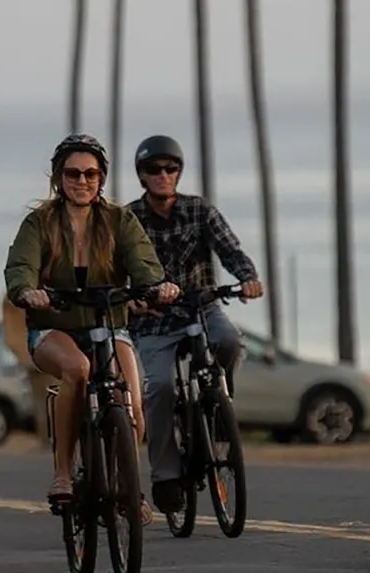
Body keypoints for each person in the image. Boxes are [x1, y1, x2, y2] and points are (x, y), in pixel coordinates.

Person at [3, 133, 181, 525]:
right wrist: (28, 292)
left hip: (109, 324)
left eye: (90, 174)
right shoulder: (39, 222)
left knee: (133, 404)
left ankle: (127, 486)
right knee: (78, 369)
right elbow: (20, 266)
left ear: (102, 178)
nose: (81, 181)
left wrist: (155, 286)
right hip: (54, 327)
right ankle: (64, 475)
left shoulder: (120, 220)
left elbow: (144, 262)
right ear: (57, 177)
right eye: (72, 174)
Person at [125, 135, 264, 515]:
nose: (163, 175)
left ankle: (218, 409)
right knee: (160, 389)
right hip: (154, 321)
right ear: (142, 176)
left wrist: (248, 277)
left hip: (202, 308)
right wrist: (133, 298)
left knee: (228, 342)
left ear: (179, 172)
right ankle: (166, 476)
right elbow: (116, 266)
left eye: (171, 168)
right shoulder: (129, 218)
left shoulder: (200, 210)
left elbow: (231, 250)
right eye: (154, 169)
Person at [1, 292, 54, 449]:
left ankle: (48, 440)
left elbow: (9, 334)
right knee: (50, 400)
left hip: (36, 353)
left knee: (44, 401)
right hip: (44, 353)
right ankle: (51, 440)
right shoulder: (16, 299)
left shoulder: (12, 297)